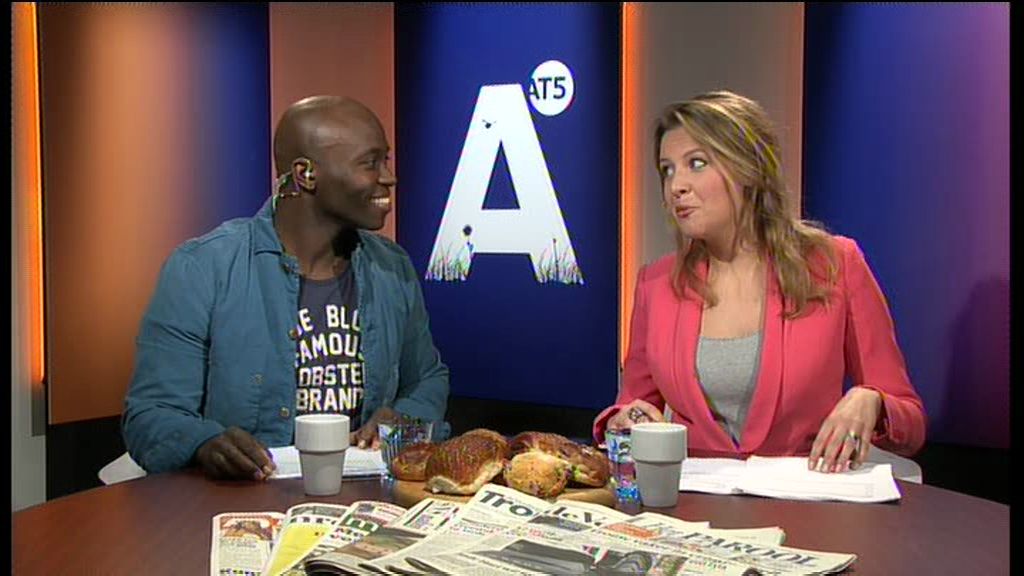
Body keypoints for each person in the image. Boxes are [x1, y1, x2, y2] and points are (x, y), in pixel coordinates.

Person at [594, 91, 926, 473]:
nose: (676, 186)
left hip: (804, 497)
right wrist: (625, 420)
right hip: (694, 499)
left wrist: (873, 402)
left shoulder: (835, 264)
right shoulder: (656, 284)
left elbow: (910, 423)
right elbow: (632, 405)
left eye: (696, 163)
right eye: (667, 170)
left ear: (748, 169)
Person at [123, 95, 450, 480]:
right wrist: (204, 442)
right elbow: (152, 414)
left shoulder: (392, 267)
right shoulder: (202, 268)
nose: (388, 177)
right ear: (305, 174)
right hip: (240, 498)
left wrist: (404, 419)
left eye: (386, 160)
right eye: (370, 162)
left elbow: (427, 378)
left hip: (362, 497)